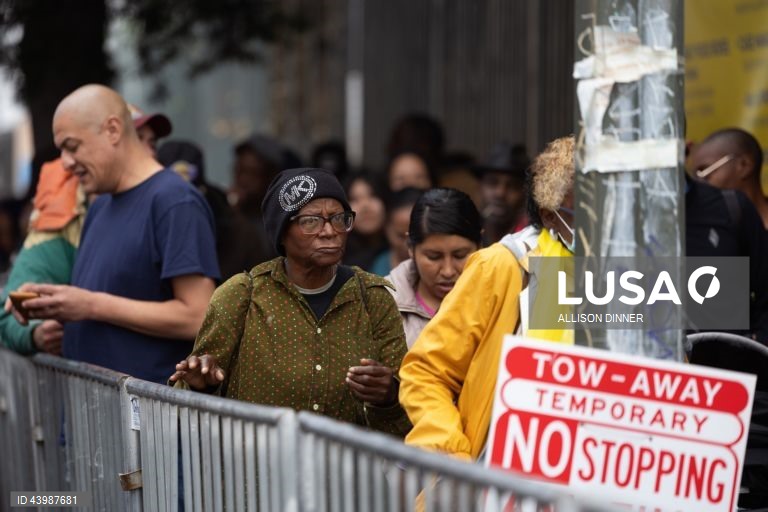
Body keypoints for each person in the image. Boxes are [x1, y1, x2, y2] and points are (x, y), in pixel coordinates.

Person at [170, 168, 411, 437]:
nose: (329, 231)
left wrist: (388, 396)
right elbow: (183, 407)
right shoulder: (242, 296)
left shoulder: (373, 298)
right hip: (260, 473)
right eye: (311, 222)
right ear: (282, 232)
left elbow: (406, 419)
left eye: (339, 219)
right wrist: (202, 386)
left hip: (342, 476)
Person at [10, 84, 220, 384]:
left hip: (146, 424)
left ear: (112, 130)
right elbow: (103, 296)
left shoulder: (174, 201)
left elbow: (197, 315)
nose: (66, 163)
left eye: (72, 146)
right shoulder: (101, 203)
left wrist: (91, 305)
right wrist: (45, 301)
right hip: (93, 418)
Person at [399, 136, 575, 460]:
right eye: (593, 211)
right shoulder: (503, 265)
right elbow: (426, 372)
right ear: (550, 215)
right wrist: (455, 460)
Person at [1, 159, 86, 355]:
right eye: (68, 147)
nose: (69, 160)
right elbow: (7, 314)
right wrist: (35, 333)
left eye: (148, 141)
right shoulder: (61, 221)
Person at [385, 188, 483, 347]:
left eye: (460, 255)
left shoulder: (510, 292)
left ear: (480, 246)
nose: (448, 271)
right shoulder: (379, 304)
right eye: (433, 257)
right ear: (411, 248)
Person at [157, 140, 264, 280]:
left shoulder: (238, 232)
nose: (180, 208)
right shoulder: (142, 226)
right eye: (170, 200)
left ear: (203, 193)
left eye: (189, 200)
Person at [689, 127, 768, 228]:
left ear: (744, 165)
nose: (698, 183)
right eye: (694, 176)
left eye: (703, 172)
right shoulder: (712, 234)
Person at [475, 142, 530, 243]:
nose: (500, 193)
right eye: (492, 183)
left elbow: (561, 259)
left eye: (513, 186)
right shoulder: (465, 237)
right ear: (479, 188)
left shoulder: (538, 241)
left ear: (525, 194)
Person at [370, 187, 423, 276]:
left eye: (415, 235)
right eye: (400, 236)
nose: (407, 244)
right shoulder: (376, 269)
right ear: (386, 228)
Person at [342, 172, 388, 270]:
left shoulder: (399, 253)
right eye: (354, 199)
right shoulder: (336, 260)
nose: (365, 206)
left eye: (372, 196)